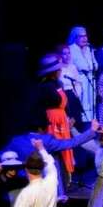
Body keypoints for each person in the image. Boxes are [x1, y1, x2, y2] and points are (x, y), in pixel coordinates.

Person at [0, 116, 100, 199]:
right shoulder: (46, 140)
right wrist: (92, 131)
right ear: (40, 128)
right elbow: (72, 143)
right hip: (41, 183)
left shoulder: (16, 140)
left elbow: (0, 154)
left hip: (22, 183)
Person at [37, 53, 75, 186]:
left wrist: (69, 116)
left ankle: (66, 179)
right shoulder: (44, 87)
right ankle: (58, 181)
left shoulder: (58, 83)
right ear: (52, 72)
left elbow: (65, 101)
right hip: (52, 122)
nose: (60, 71)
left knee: (65, 148)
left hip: (62, 119)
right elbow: (40, 107)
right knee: (57, 149)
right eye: (58, 69)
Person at [67, 26, 98, 123]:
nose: (84, 38)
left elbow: (95, 65)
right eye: (81, 36)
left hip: (90, 80)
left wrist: (92, 66)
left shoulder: (89, 49)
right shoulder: (71, 49)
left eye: (85, 36)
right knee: (82, 104)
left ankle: (92, 125)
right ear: (75, 37)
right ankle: (83, 127)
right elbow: (70, 67)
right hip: (79, 81)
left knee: (91, 104)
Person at [56, 44, 85, 124]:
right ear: (60, 55)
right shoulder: (58, 69)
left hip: (72, 95)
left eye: (69, 53)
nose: (67, 55)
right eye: (64, 53)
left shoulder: (73, 67)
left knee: (77, 118)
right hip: (62, 96)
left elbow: (78, 82)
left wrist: (77, 94)